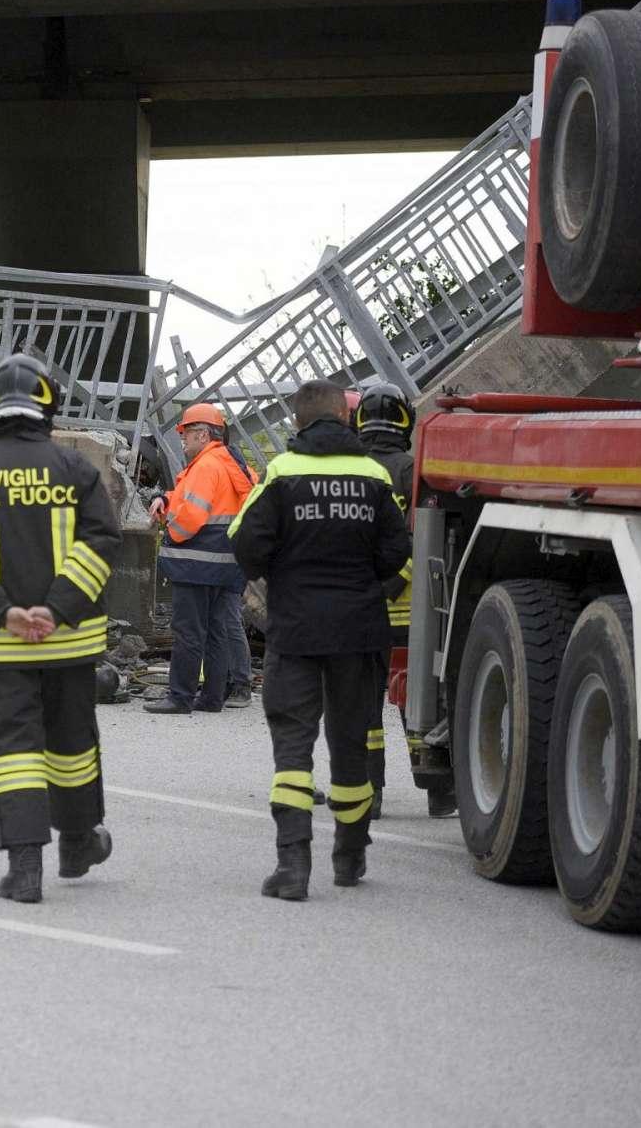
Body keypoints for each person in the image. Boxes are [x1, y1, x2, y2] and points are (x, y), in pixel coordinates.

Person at [0, 352, 123, 903]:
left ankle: (24, 870)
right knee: (71, 744)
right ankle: (78, 843)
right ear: (48, 405)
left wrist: (4, 613)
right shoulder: (77, 469)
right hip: (68, 642)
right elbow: (101, 542)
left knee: (13, 749)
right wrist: (56, 610)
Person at [230, 379, 409, 900]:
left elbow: (244, 542)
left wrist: (282, 574)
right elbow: (396, 552)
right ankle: (350, 857)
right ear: (345, 418)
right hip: (359, 631)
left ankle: (292, 866)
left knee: (293, 746)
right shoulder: (373, 475)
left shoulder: (282, 472)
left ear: (297, 422)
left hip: (295, 631)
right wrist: (363, 582)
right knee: (351, 744)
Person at [353, 381, 456, 819]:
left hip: (359, 611)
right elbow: (426, 535)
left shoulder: (347, 473)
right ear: (405, 421)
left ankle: (369, 794)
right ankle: (439, 792)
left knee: (363, 704)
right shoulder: (416, 470)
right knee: (419, 701)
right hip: (411, 614)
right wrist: (398, 580)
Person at [143, 403, 255, 714]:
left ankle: (180, 697)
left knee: (188, 633)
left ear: (203, 435)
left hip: (196, 565)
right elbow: (197, 499)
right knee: (216, 632)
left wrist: (168, 526)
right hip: (226, 566)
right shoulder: (233, 464)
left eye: (186, 434)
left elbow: (189, 518)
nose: (183, 440)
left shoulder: (205, 467)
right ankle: (212, 698)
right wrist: (165, 498)